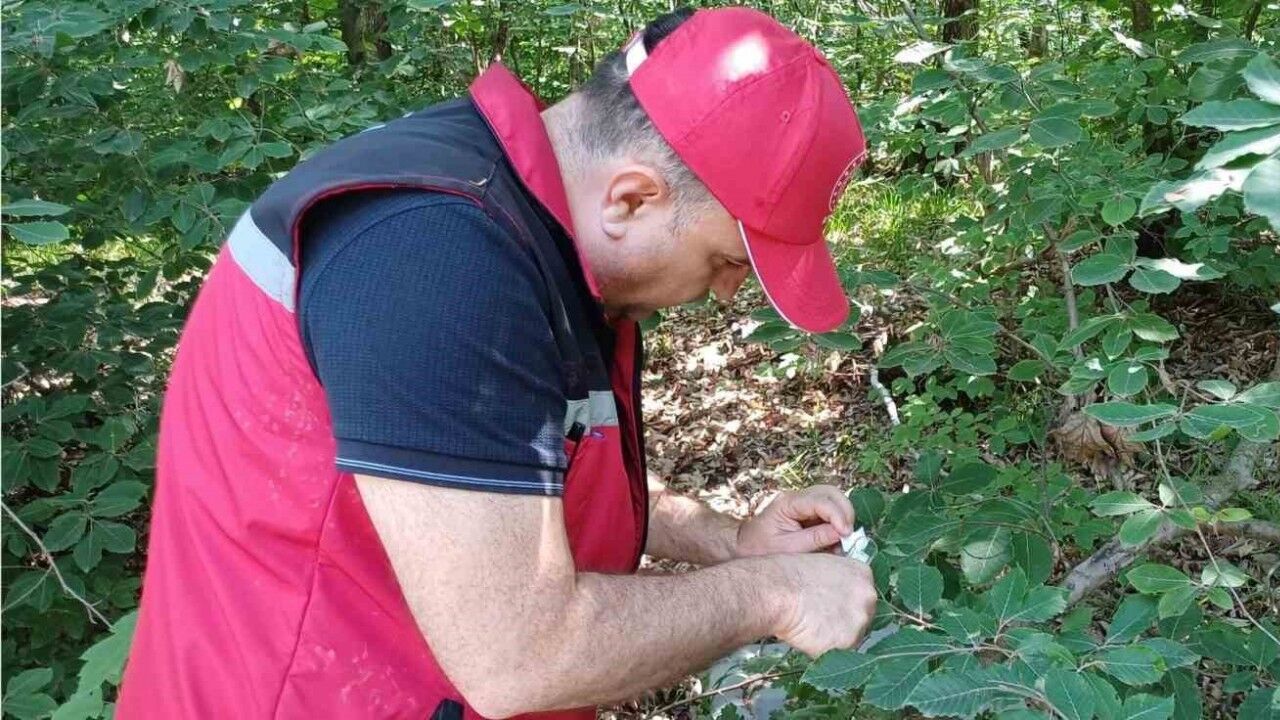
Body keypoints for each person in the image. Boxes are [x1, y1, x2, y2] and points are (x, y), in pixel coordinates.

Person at [117, 6, 877, 719]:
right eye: (726, 260)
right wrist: (772, 592)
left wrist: (725, 540)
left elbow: (512, 467)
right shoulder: (434, 261)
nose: (725, 292)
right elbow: (521, 653)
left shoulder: (538, 233)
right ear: (631, 200)